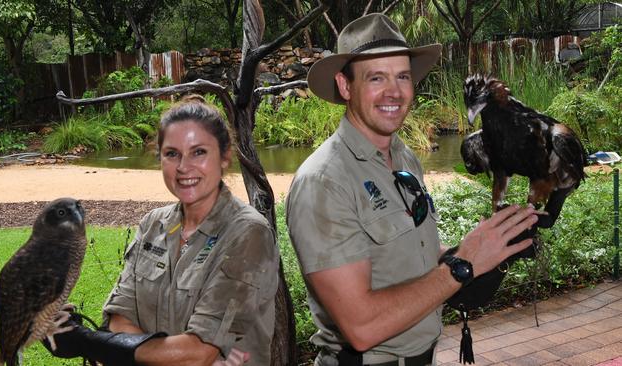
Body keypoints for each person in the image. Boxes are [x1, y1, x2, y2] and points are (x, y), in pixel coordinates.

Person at [285, 13, 539, 366]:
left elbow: (420, 262)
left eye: (403, 76)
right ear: (345, 87)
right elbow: (361, 326)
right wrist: (461, 266)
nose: (395, 91)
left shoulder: (403, 156)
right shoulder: (324, 181)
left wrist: (491, 250)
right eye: (377, 78)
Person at [45, 95, 279, 366]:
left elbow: (198, 354)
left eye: (199, 152)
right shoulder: (153, 225)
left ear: (225, 156)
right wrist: (158, 353)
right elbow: (120, 318)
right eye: (172, 154)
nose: (183, 167)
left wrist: (89, 342)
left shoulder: (247, 233)